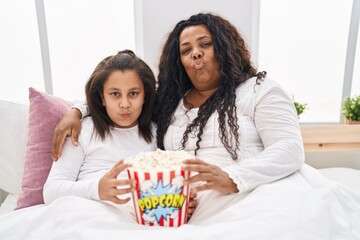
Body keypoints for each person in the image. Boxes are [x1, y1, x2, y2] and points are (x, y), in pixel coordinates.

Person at [50, 13, 360, 236]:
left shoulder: (259, 90)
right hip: (187, 208)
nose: (195, 52)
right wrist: (76, 110)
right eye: (185, 50)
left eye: (205, 43)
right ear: (180, 62)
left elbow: (290, 150)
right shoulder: (170, 104)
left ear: (223, 48)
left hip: (255, 191)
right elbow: (124, 95)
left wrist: (234, 178)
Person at [43, 50, 158, 205]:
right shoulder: (84, 130)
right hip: (88, 213)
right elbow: (51, 191)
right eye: (115, 94)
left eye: (133, 94)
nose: (125, 104)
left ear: (145, 95)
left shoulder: (156, 133)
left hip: (136, 218)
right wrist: (97, 189)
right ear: (102, 98)